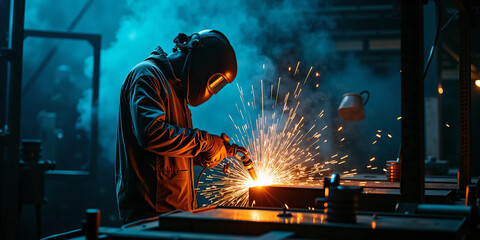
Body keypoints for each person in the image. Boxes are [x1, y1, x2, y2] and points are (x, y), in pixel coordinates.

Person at [116, 30, 237, 223]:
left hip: (177, 214)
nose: (212, 88)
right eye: (214, 80)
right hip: (149, 218)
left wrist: (204, 155)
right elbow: (151, 135)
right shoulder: (147, 76)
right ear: (201, 63)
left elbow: (166, 154)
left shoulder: (176, 90)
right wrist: (205, 142)